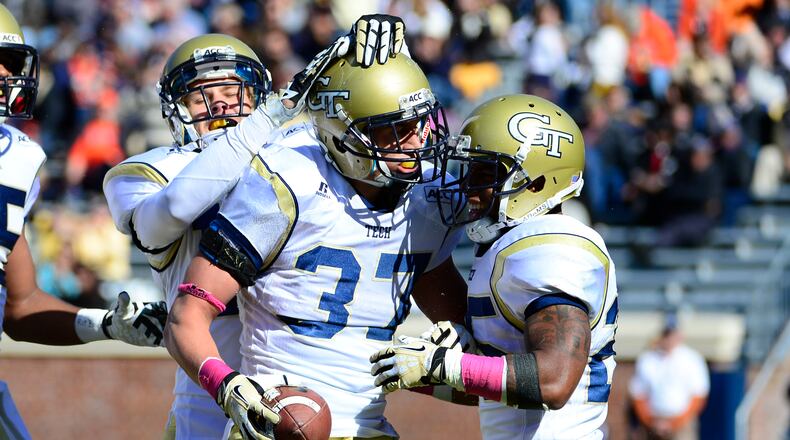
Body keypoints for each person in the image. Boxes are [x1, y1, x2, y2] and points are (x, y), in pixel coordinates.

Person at [106, 16, 408, 439]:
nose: (223, 106)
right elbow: (174, 209)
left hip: (297, 388)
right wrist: (268, 118)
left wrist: (384, 63)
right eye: (202, 97)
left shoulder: (292, 157)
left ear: (258, 94)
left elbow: (368, 139)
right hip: (208, 393)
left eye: (235, 92)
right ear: (175, 110)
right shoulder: (151, 170)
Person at [164, 52, 468, 439]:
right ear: (343, 135)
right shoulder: (290, 183)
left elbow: (467, 351)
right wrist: (226, 385)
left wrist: (440, 366)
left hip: (368, 426)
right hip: (278, 420)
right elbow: (185, 317)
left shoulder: (427, 198)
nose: (416, 143)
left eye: (419, 123)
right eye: (395, 129)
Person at [370, 94, 619, 439]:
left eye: (485, 172)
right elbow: (498, 389)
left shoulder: (549, 246)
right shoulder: (505, 248)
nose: (468, 187)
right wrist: (411, 369)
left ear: (536, 183)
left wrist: (443, 364)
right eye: (468, 170)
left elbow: (554, 381)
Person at [0, 4, 166, 438]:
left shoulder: (15, 161)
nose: (3, 75)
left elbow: (20, 306)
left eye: (10, 63)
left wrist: (107, 323)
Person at [629, 315, 709, 440]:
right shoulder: (648, 359)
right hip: (653, 422)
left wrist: (675, 422)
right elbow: (638, 394)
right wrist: (650, 420)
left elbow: (699, 396)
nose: (669, 339)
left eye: (672, 334)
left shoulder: (692, 359)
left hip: (682, 425)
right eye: (666, 334)